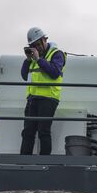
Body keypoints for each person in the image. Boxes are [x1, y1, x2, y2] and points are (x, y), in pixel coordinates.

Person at [21, 26, 65, 155]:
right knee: (28, 132)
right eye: (33, 45)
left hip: (48, 98)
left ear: (45, 40)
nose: (37, 47)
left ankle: (44, 161)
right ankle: (24, 161)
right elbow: (24, 76)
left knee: (43, 131)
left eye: (38, 44)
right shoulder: (34, 59)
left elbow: (55, 73)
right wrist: (28, 60)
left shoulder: (57, 54)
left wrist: (39, 60)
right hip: (32, 98)